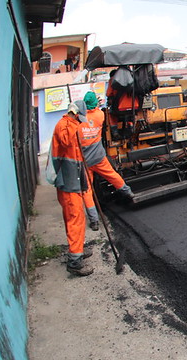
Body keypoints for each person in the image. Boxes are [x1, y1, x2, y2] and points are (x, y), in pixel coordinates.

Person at [78, 91, 134, 230]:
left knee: (87, 190)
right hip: (99, 157)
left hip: (84, 161)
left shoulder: (78, 121)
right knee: (112, 175)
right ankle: (128, 192)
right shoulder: (100, 115)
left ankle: (94, 220)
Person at [50, 101, 94, 277]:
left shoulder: (70, 125)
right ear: (75, 114)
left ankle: (79, 249)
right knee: (75, 219)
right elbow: (67, 141)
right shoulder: (64, 126)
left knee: (77, 218)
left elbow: (76, 155)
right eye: (79, 119)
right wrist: (74, 123)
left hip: (73, 180)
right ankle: (75, 262)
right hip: (67, 183)